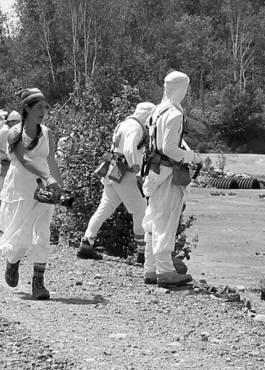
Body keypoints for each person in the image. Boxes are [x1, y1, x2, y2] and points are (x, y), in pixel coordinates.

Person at [0, 88, 63, 300]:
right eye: (39, 107)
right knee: (20, 238)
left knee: (42, 233)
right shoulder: (14, 133)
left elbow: (50, 159)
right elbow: (24, 160)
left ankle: (38, 283)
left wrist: (58, 184)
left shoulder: (47, 133)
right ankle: (13, 262)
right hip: (21, 189)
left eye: (45, 107)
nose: (44, 111)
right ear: (27, 108)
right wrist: (46, 176)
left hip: (43, 189)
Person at [142, 71, 203, 288]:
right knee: (165, 221)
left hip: (154, 171)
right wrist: (191, 157)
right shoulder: (175, 114)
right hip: (168, 172)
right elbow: (168, 147)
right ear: (180, 88)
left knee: (152, 218)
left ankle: (150, 268)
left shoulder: (155, 111)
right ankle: (165, 271)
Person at [77, 102, 155, 261]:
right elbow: (129, 148)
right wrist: (137, 170)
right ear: (147, 115)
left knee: (105, 207)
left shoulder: (124, 123)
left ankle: (86, 242)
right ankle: (142, 253)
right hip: (125, 172)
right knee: (140, 209)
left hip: (113, 169)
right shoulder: (136, 127)